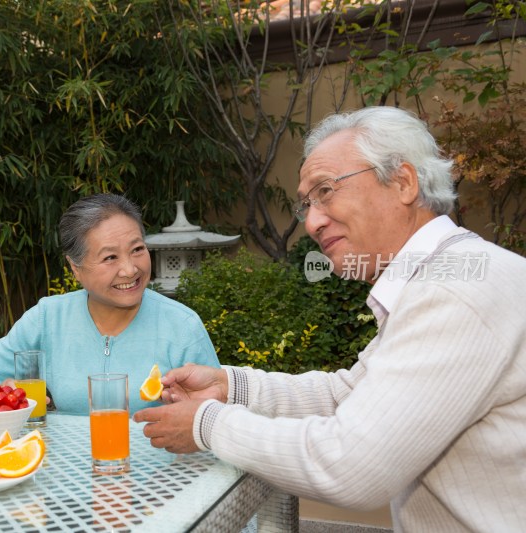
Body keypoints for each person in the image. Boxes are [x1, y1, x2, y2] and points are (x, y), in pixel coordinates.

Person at [135, 106, 526, 532]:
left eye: (326, 191)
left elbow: (352, 465)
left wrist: (207, 424)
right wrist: (231, 387)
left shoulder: (452, 292)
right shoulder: (445, 274)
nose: (313, 221)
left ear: (403, 182)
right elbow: (350, 394)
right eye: (307, 204)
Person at [0, 193, 220, 414]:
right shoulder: (48, 318)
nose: (130, 269)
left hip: (159, 473)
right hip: (65, 469)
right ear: (75, 268)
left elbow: (217, 412)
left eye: (137, 249)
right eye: (110, 257)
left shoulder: (182, 325)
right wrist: (4, 397)